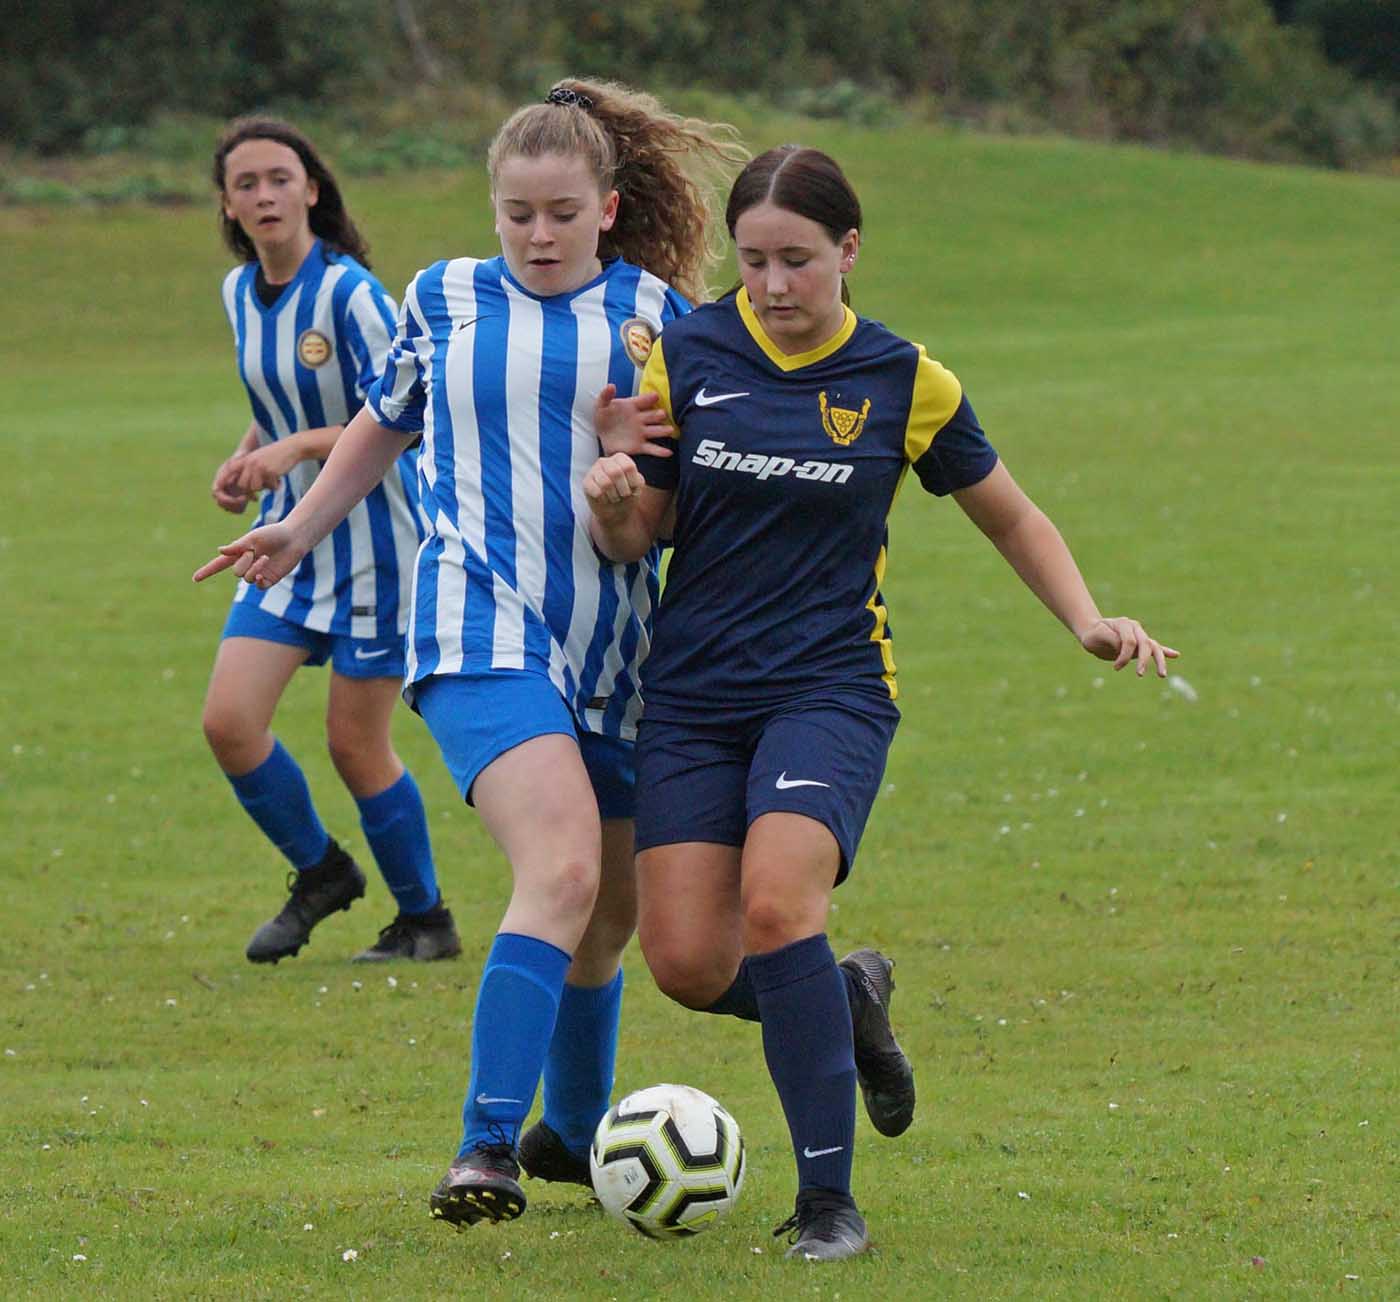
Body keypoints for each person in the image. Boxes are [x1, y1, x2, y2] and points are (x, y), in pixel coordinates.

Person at [583, 144, 1180, 1262]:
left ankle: (828, 1204)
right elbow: (638, 537)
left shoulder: (906, 379)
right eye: (754, 260)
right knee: (687, 964)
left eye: (797, 260)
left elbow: (1010, 513)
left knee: (777, 909)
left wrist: (1086, 618)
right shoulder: (687, 352)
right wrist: (613, 496)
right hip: (694, 695)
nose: (772, 284)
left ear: (848, 250)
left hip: (830, 687)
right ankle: (846, 1000)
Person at [195, 81, 745, 1226]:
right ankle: (484, 1148)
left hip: (616, 645)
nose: (537, 236)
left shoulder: (655, 317)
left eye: (561, 214)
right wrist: (300, 526)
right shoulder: (441, 295)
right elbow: (381, 423)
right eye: (516, 214)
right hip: (473, 623)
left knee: (605, 919)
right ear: (491, 209)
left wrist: (627, 470)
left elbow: (683, 498)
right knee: (561, 869)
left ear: (606, 209)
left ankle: (575, 1138)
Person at [202, 117, 459, 966]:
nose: (265, 195)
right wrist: (248, 457)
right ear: (228, 205)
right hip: (286, 543)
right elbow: (280, 399)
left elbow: (401, 413)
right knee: (229, 723)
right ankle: (322, 873)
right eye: (246, 184)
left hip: (377, 549)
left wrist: (294, 450)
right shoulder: (238, 293)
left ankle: (425, 920)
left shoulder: (350, 294)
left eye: (280, 178)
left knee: (356, 746)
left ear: (311, 189)